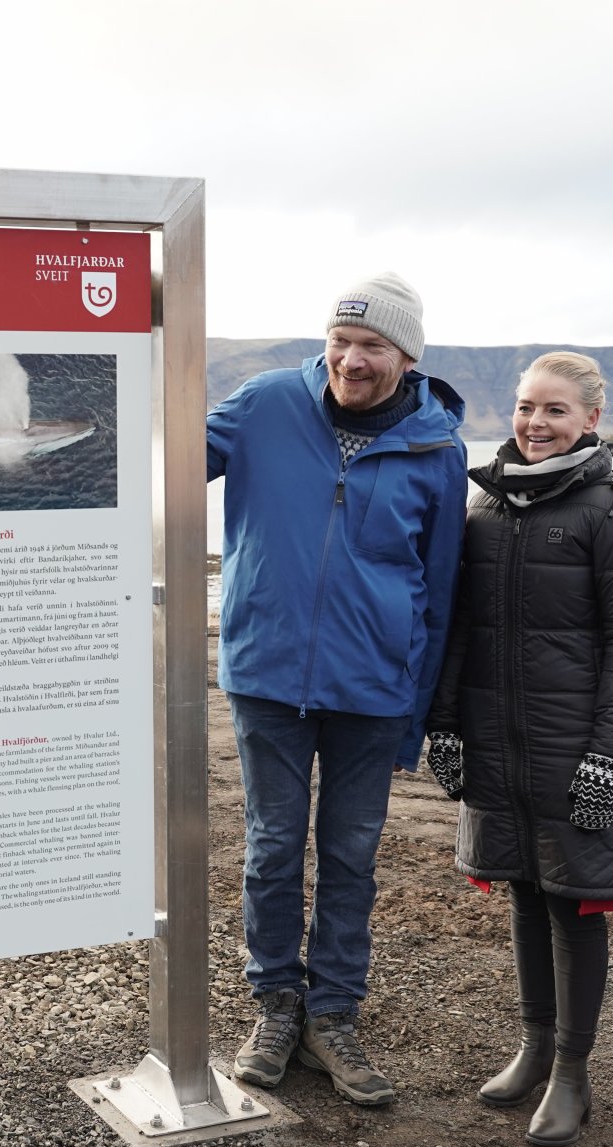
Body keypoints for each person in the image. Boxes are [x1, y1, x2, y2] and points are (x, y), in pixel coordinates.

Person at [208, 273, 468, 1104]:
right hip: (267, 673)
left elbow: (439, 591)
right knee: (273, 846)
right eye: (341, 341)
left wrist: (417, 719)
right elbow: (168, 466)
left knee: (351, 857)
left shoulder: (437, 447)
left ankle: (333, 1015)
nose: (351, 361)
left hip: (374, 688)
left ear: (407, 357)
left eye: (372, 347)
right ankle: (276, 1005)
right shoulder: (265, 403)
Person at [425, 351, 613, 1147]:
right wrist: (446, 723)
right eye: (527, 407)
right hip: (496, 739)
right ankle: (532, 1047)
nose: (536, 423)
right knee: (524, 892)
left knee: (574, 902)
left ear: (591, 419)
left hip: (574, 746)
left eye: (555, 410)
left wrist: (607, 754)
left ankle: (571, 1073)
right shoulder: (486, 508)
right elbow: (460, 627)